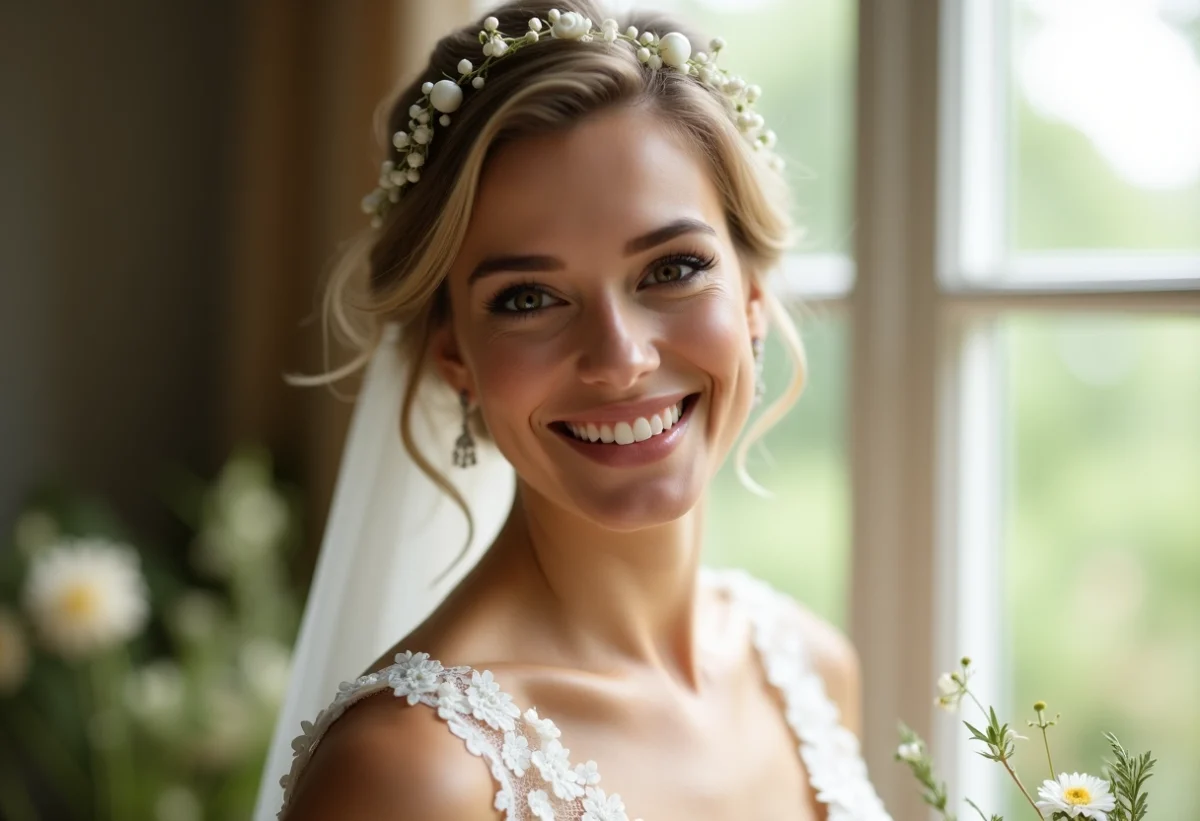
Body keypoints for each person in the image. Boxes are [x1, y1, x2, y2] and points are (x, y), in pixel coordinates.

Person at [256, 2, 892, 819]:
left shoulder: (810, 668)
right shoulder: (410, 772)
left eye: (672, 268)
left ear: (753, 302)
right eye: (528, 297)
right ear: (455, 357)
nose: (621, 358)